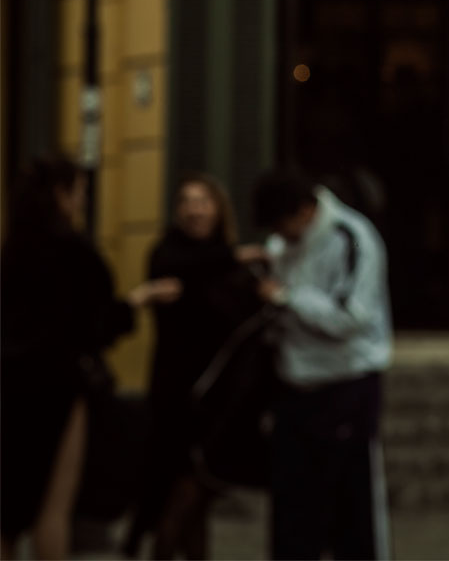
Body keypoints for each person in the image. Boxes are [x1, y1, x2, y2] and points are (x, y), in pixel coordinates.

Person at [1, 154, 179, 560]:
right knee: (53, 509)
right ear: (61, 194)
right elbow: (95, 324)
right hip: (58, 386)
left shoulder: (13, 250)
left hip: (10, 383)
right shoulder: (74, 251)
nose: (81, 201)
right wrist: (138, 301)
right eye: (79, 191)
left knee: (7, 510)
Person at [251, 167, 393, 560]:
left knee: (353, 510)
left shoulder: (352, 237)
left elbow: (352, 317)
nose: (280, 237)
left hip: (345, 385)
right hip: (294, 389)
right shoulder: (281, 246)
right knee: (293, 514)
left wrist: (287, 297)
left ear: (304, 211)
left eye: (283, 226)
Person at [125, 175, 261, 560]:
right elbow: (187, 269)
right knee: (179, 498)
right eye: (186, 201)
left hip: (215, 402)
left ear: (219, 209)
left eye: (203, 201)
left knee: (195, 503)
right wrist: (237, 258)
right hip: (178, 398)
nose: (194, 209)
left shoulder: (225, 262)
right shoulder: (171, 254)